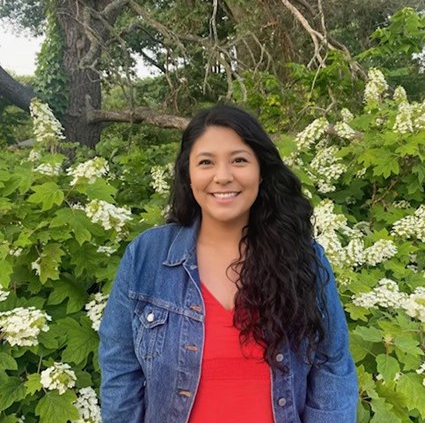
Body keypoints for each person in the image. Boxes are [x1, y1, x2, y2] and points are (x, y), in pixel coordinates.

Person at [98, 104, 358, 423]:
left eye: (239, 160)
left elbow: (331, 364)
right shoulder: (146, 256)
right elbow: (120, 369)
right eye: (206, 162)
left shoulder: (303, 256)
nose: (223, 176)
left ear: (261, 171)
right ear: (188, 174)